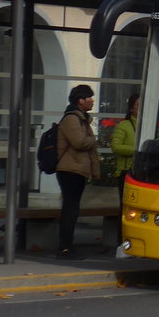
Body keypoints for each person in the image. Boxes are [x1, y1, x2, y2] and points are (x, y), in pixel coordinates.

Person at [55, 84, 100, 258]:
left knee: (72, 209)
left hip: (77, 170)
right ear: (80, 100)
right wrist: (92, 139)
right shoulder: (72, 119)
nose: (92, 101)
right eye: (89, 97)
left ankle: (67, 246)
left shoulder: (81, 118)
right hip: (70, 170)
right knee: (70, 210)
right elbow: (79, 142)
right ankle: (65, 248)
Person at [110, 94, 138, 206]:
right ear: (131, 109)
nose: (141, 107)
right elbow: (116, 146)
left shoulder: (149, 125)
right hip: (126, 171)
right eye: (137, 104)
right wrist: (136, 150)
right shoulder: (124, 125)